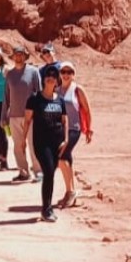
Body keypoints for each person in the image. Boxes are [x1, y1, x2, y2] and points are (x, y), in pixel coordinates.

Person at [25, 67, 69, 222]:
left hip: (57, 143)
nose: (50, 78)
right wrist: (22, 141)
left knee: (51, 174)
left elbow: (64, 121)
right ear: (43, 79)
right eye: (48, 76)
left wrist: (66, 139)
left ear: (57, 80)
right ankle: (46, 209)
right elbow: (27, 120)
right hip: (41, 142)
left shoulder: (60, 100)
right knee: (49, 172)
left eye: (54, 76)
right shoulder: (35, 98)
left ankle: (47, 208)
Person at [1, 45, 42, 183]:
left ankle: (38, 171)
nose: (19, 57)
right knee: (18, 146)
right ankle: (23, 172)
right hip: (14, 116)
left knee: (33, 144)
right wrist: (3, 116)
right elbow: (6, 96)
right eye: (16, 54)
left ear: (25, 56)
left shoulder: (33, 72)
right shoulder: (10, 75)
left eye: (21, 54)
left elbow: (39, 93)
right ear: (13, 57)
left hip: (31, 116)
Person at [56, 60, 93, 209]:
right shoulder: (56, 90)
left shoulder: (77, 90)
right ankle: (69, 192)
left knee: (61, 158)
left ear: (73, 74)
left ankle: (70, 192)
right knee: (67, 160)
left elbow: (87, 110)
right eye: (63, 72)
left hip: (74, 129)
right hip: (60, 130)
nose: (66, 75)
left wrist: (89, 129)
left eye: (69, 72)